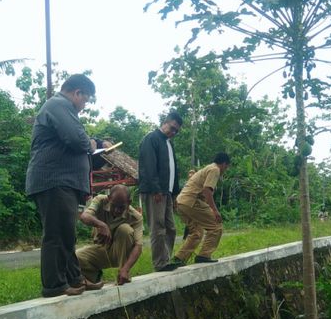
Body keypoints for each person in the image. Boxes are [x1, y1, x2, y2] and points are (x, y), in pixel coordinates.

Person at [25, 74, 104, 297]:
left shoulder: (60, 107)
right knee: (56, 234)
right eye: (85, 99)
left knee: (67, 234)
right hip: (53, 180)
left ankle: (75, 279)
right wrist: (91, 143)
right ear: (77, 93)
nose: (84, 105)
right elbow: (77, 139)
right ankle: (54, 286)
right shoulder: (58, 104)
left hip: (63, 182)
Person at [138, 111, 183, 272]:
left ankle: (166, 259)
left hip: (167, 192)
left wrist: (175, 192)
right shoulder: (151, 139)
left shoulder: (168, 143)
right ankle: (160, 263)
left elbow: (173, 169)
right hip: (154, 191)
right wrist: (156, 189)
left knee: (171, 228)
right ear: (165, 123)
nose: (173, 132)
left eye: (176, 131)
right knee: (158, 227)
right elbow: (149, 166)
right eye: (172, 128)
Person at [76, 185, 143, 286]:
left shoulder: (136, 217)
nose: (117, 210)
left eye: (121, 207)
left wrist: (126, 268)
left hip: (120, 253)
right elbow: (84, 216)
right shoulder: (99, 200)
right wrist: (101, 225)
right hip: (101, 248)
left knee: (124, 229)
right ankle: (94, 279)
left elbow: (138, 246)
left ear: (129, 202)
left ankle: (123, 274)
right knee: (76, 257)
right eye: (114, 205)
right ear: (109, 199)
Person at [172, 152, 232, 264]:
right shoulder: (215, 170)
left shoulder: (207, 168)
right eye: (227, 167)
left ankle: (179, 258)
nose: (225, 170)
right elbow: (207, 190)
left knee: (196, 232)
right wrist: (215, 211)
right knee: (216, 226)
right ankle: (204, 255)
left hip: (181, 203)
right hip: (192, 201)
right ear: (224, 164)